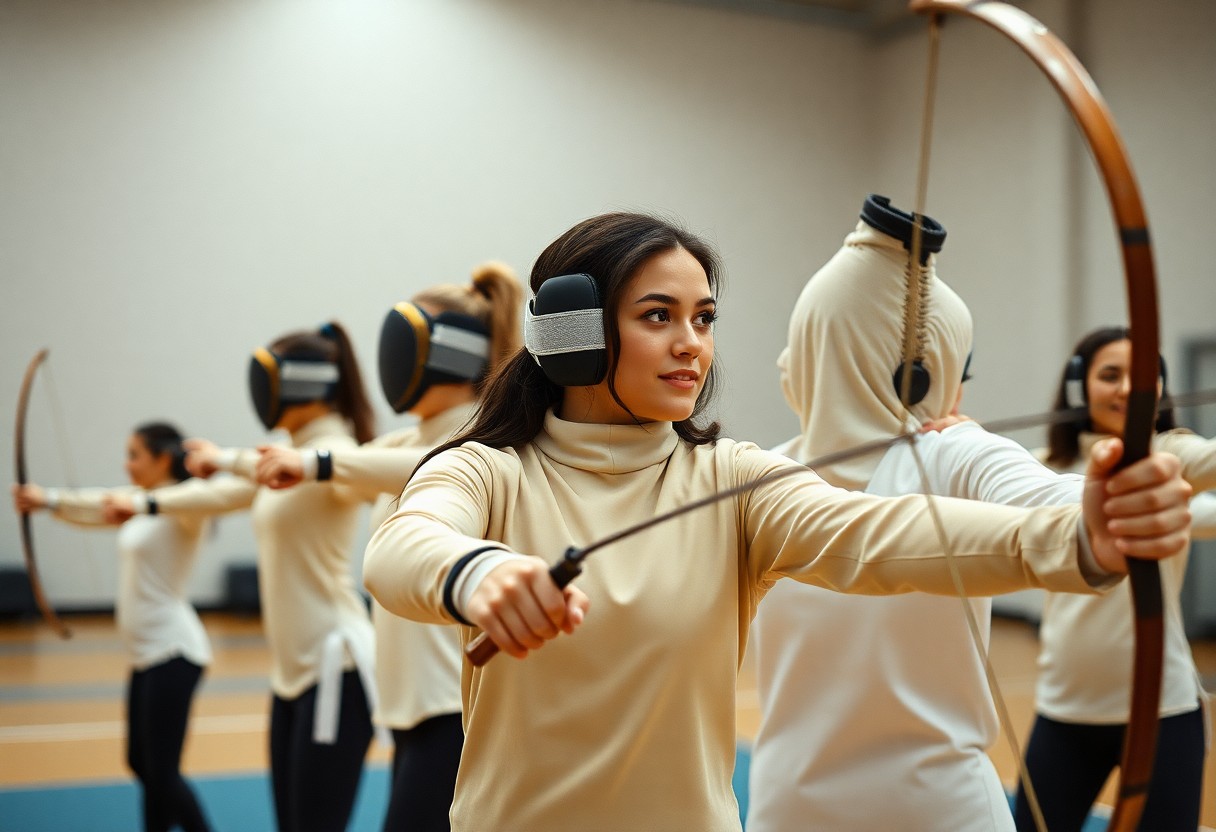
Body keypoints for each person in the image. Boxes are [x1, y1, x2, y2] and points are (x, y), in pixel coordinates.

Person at [361, 211, 1191, 832]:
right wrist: (479, 574)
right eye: (659, 316)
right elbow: (404, 544)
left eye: (705, 318)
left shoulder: (734, 479)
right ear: (573, 334)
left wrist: (1077, 538)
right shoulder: (489, 470)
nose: (692, 343)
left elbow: (881, 536)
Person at [745, 195, 1188, 831]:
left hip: (937, 812)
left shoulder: (952, 453)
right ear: (924, 376)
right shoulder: (757, 475)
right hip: (788, 811)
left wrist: (1108, 510)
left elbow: (1047, 498)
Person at [253, 262, 524, 832]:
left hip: (456, 710)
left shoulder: (482, 439)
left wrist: (315, 460)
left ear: (447, 354)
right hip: (409, 711)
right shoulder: (408, 439)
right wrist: (268, 463)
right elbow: (371, 463)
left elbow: (422, 465)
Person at [105, 322, 379, 832]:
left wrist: (225, 459)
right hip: (291, 676)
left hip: (334, 670)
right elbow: (216, 495)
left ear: (299, 385)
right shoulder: (282, 457)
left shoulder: (333, 451)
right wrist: (141, 502)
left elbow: (358, 469)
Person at [1011, 325, 1216, 832]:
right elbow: (970, 491)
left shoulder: (1169, 455)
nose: (1127, 388)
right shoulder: (1044, 467)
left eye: (1142, 376)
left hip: (1162, 712)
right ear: (1080, 387)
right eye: (1110, 376)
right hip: (1066, 709)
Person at [12, 422, 213, 832]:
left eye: (134, 455)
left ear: (162, 458)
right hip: (146, 655)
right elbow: (98, 506)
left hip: (174, 652)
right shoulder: (142, 501)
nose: (127, 465)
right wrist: (47, 501)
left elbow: (198, 498)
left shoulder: (187, 508)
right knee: (141, 763)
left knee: (161, 771)